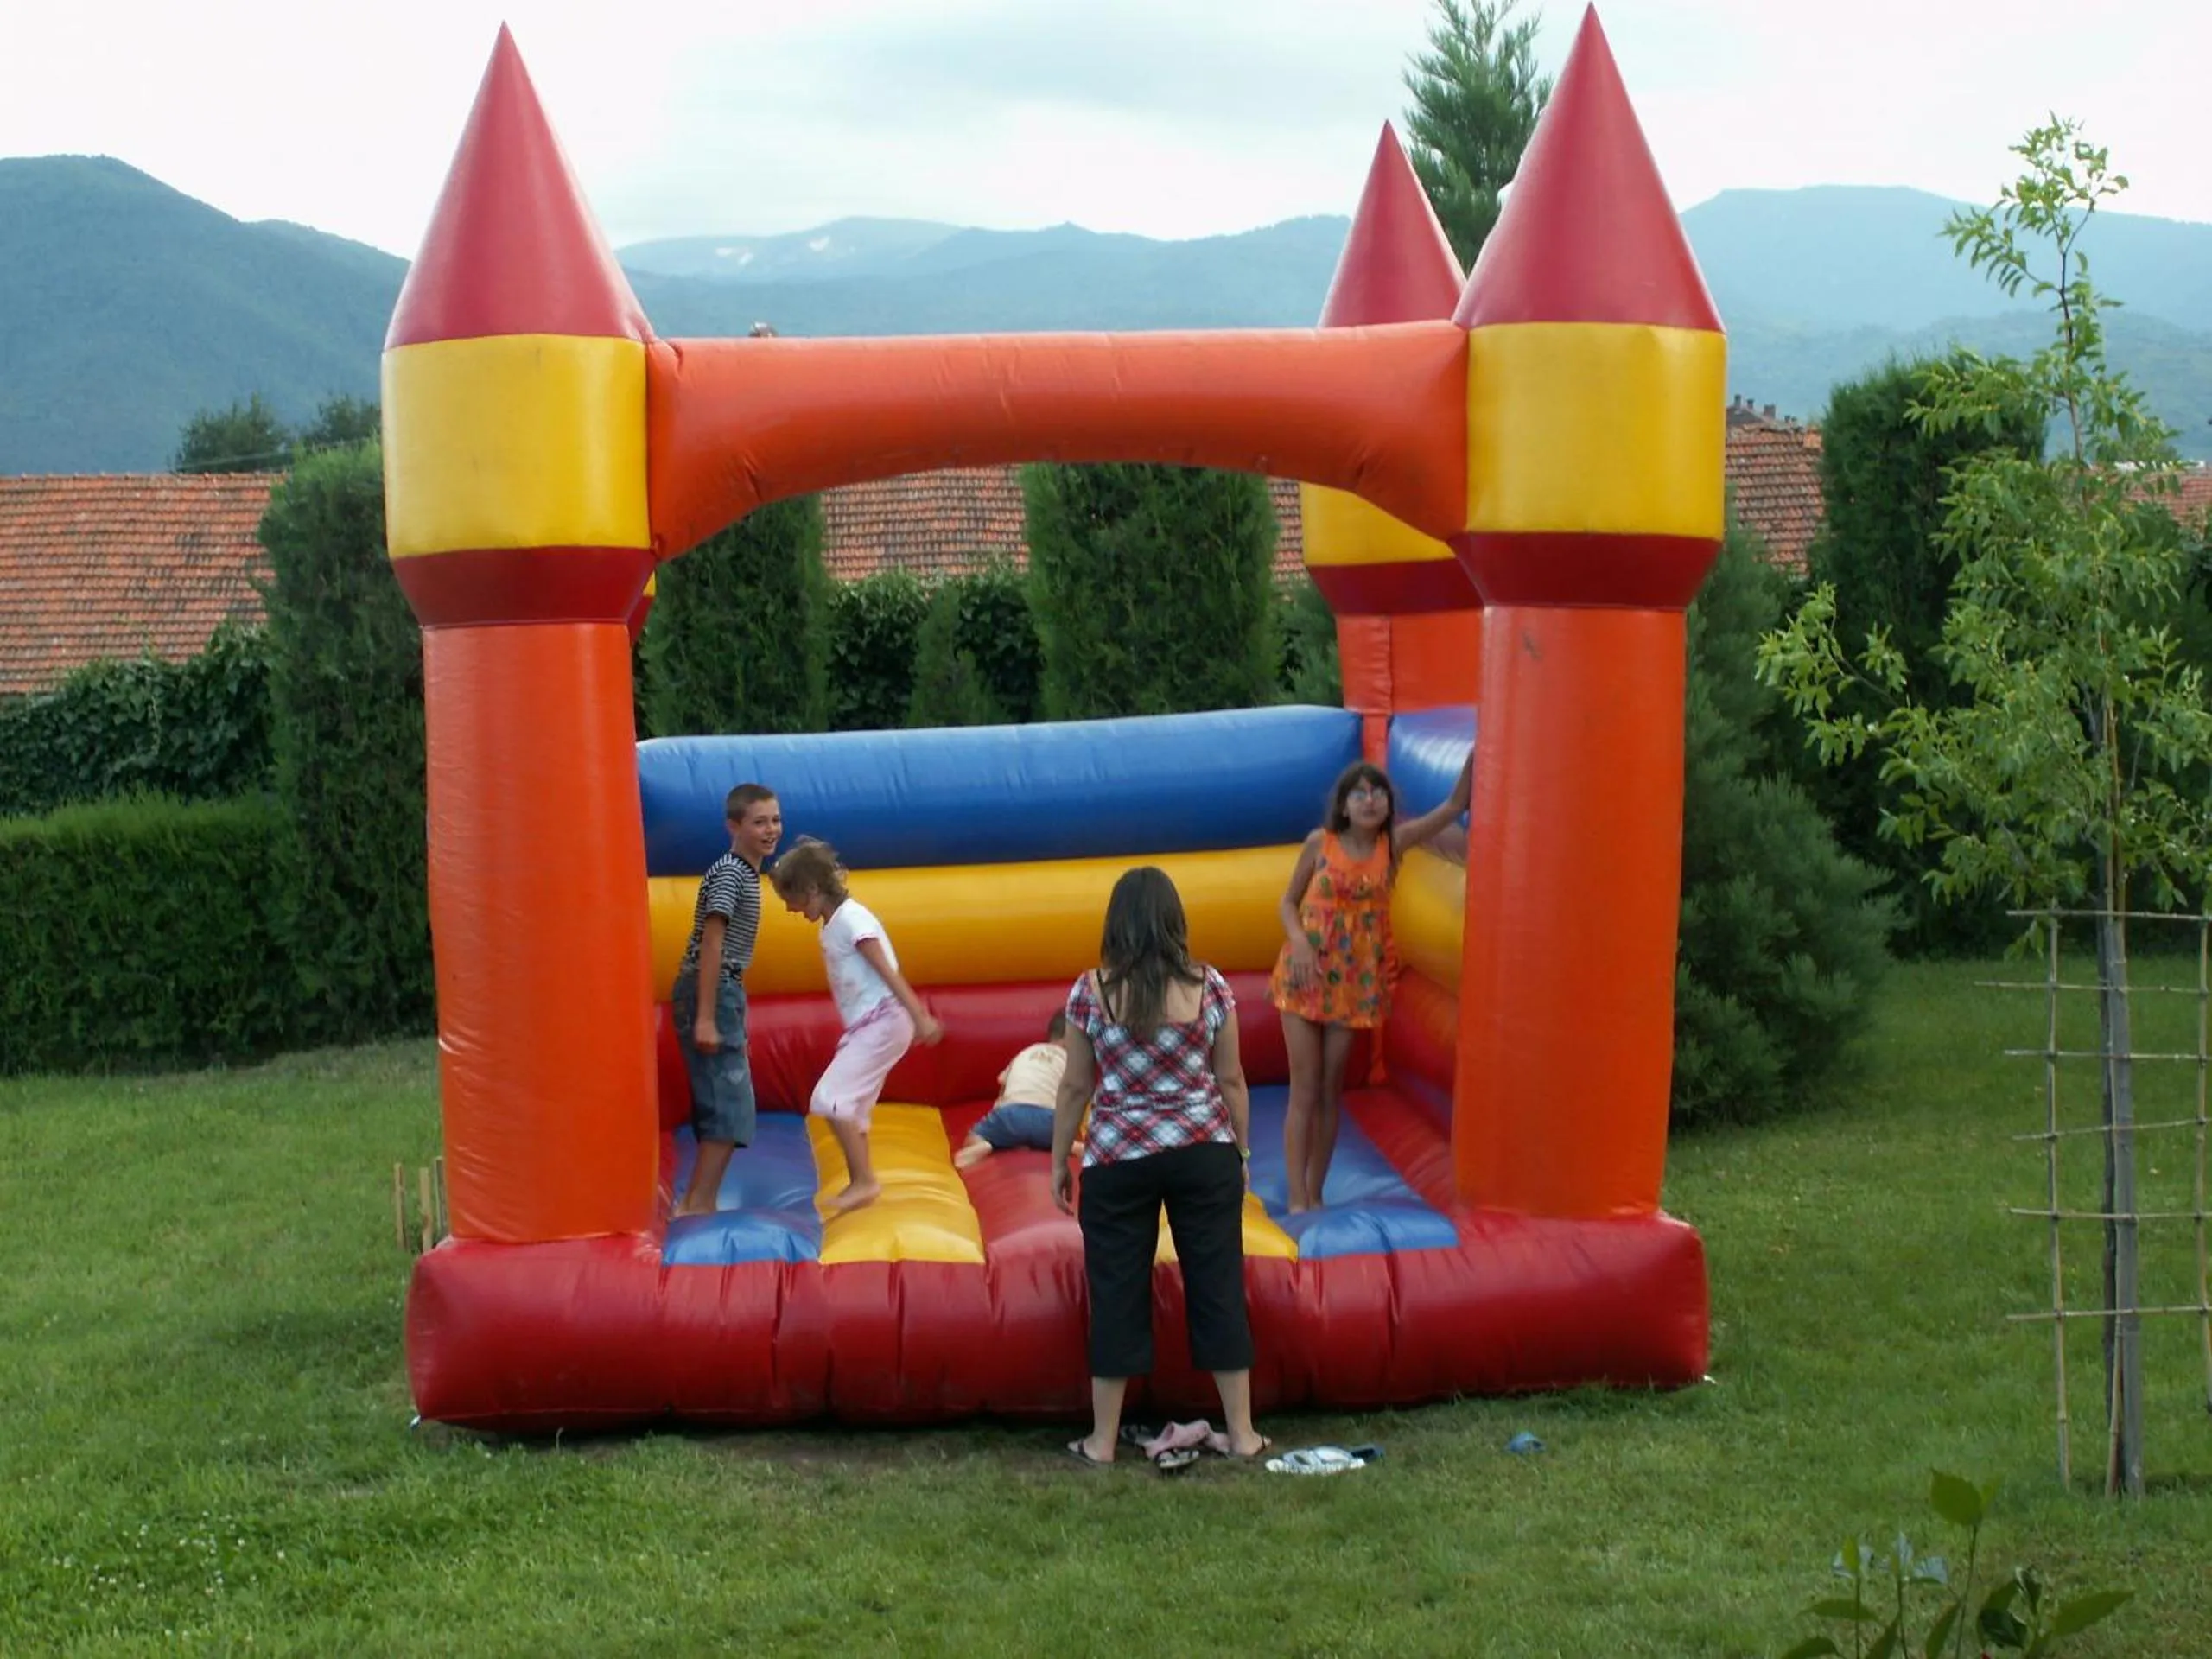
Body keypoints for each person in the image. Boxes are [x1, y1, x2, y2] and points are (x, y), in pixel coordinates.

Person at [1052, 866, 1268, 1465]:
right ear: (1176, 920)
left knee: (1116, 1290)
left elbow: (1074, 1086)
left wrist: (1057, 1161)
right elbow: (1231, 1079)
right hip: (1202, 1149)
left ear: (1114, 923)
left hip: (1120, 1154)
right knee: (1218, 1284)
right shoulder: (1211, 987)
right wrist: (1241, 1152)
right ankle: (1242, 1433)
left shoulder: (1091, 991)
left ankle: (1101, 1441)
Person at [1269, 754, 1472, 1214]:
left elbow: (1451, 806)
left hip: (1354, 982)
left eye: (1377, 792)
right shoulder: (1320, 844)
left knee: (1329, 1086)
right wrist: (1299, 941)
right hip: (1305, 974)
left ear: (1387, 806)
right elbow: (1287, 901)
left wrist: (1476, 759)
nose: (1369, 799)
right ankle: (1298, 1197)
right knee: (1304, 1085)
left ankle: (1316, 1189)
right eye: (1358, 792)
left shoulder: (1392, 846)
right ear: (1342, 805)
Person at [771, 838, 944, 1213]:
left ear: (813, 889)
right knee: (852, 1107)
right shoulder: (832, 924)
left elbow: (885, 969)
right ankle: (861, 1180)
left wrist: (918, 1015)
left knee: (830, 1099)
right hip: (870, 1024)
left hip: (885, 1019)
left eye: (793, 899)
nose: (789, 908)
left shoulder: (852, 919)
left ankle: (865, 1181)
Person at [671, 782, 782, 1217]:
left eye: (775, 820)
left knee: (728, 1101)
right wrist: (705, 1016)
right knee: (728, 1102)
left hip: (722, 990)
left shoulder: (746, 873)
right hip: (712, 988)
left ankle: (699, 1200)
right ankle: (697, 1205)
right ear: (733, 827)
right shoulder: (731, 872)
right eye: (759, 822)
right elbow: (711, 943)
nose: (771, 829)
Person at [954, 1014, 1071, 1169]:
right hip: (1048, 1120)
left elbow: (1002, 1081)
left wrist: (999, 1107)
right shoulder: (1072, 1060)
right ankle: (1071, 1146)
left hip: (1010, 1114)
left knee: (974, 1136)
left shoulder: (1026, 1052)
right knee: (1056, 1136)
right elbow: (1074, 1093)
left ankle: (983, 1145)